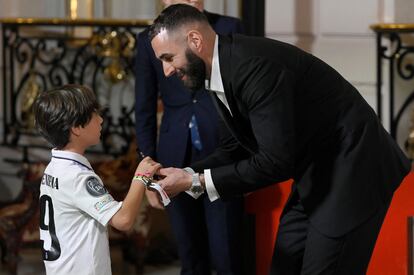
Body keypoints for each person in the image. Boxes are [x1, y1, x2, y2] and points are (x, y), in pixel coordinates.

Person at [148, 4, 412, 275]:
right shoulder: (218, 68)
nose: (166, 71)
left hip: (354, 170)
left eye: (169, 57)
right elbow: (234, 146)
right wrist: (188, 172)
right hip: (315, 171)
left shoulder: (254, 67)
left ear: (195, 40)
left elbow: (275, 162)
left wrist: (195, 182)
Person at [134, 1, 246, 274]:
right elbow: (144, 106)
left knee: (226, 253)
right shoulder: (149, 40)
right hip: (174, 155)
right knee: (190, 255)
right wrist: (148, 172)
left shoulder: (228, 28)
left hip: (223, 152)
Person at [33, 84, 161, 275]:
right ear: (76, 128)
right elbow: (123, 220)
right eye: (94, 115)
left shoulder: (54, 168)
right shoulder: (77, 176)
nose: (101, 120)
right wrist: (140, 176)